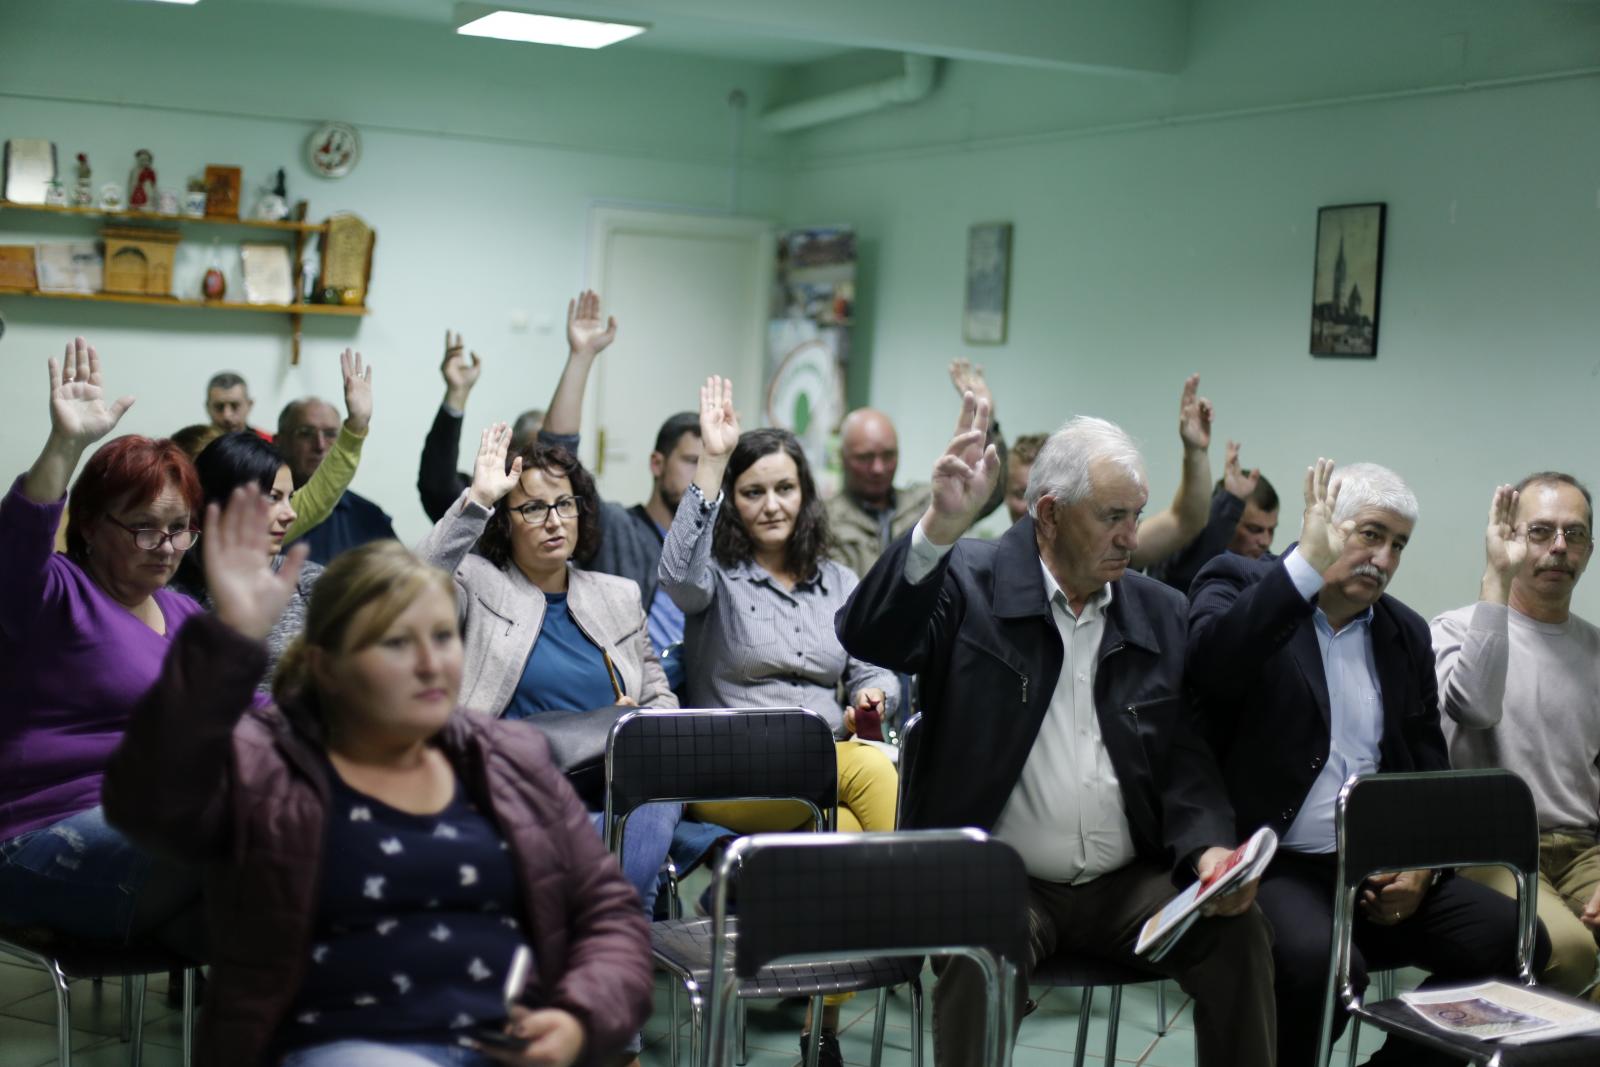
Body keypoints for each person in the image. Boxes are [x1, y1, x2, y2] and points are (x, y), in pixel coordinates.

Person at [103, 497, 652, 1066]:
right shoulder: (268, 758)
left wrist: (577, 1016)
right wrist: (227, 647)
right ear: (327, 666)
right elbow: (147, 801)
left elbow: (606, 916)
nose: (430, 663)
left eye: (442, 636)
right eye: (396, 643)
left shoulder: (505, 758)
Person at [837, 401, 1275, 1067]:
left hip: (1128, 884)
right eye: (1112, 516)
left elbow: (1185, 757)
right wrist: (938, 528)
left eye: (1136, 515)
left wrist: (1210, 851)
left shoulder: (1159, 611)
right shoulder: (971, 581)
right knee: (978, 943)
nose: (1132, 537)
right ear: (1049, 514)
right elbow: (870, 635)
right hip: (999, 879)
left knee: (1238, 932)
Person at [1188, 458, 1542, 1067]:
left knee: (1517, 939)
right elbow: (1212, 668)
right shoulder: (1237, 582)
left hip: (1375, 870)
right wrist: (1303, 571)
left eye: (1398, 544)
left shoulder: (1402, 631)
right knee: (1324, 965)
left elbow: (1428, 768)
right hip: (1273, 863)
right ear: (1325, 526)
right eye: (1371, 535)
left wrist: (1423, 869)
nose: (1383, 558)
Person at [659, 376, 901, 1066]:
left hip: (822, 777)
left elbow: (874, 668)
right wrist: (712, 460)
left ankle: (819, 1028)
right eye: (753, 491)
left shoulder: (839, 581)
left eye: (785, 488)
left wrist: (873, 699)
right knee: (869, 769)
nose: (771, 504)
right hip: (733, 771)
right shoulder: (715, 578)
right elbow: (675, 576)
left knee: (846, 833)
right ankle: (917, 921)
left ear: (806, 494)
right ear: (733, 503)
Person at [414, 425, 679, 923]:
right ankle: (608, 925)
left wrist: (638, 720)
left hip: (609, 783)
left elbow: (661, 698)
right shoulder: (476, 582)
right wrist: (478, 500)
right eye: (534, 508)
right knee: (622, 879)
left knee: (658, 792)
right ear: (505, 521)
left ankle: (595, 918)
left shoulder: (617, 595)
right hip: (512, 782)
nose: (554, 521)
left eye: (565, 504)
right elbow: (407, 586)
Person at [0, 336, 202, 953]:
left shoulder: (186, 615)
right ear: (89, 524)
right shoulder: (51, 591)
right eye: (144, 528)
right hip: (40, 834)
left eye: (180, 529)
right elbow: (16, 544)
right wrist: (64, 445)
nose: (166, 547)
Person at [1434, 474, 1600, 998]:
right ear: (1510, 539)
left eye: (1574, 534)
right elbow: (1476, 707)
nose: (1559, 547)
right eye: (1541, 531)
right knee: (1571, 953)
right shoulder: (1454, 629)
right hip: (1491, 849)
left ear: (1590, 549)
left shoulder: (1595, 649)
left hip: (1583, 849)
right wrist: (1496, 579)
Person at [531, 291, 704, 689]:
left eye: (710, 465)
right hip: (631, 690)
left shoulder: (717, 543)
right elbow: (558, 458)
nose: (701, 476)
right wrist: (581, 357)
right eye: (691, 461)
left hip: (699, 694)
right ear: (657, 464)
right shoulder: (618, 528)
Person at [1004, 374, 1221, 572]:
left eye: (1042, 493)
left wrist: (1196, 452)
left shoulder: (1107, 546)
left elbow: (1185, 521)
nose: (1031, 506)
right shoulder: (995, 564)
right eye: (1020, 493)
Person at [827, 358, 1008, 578]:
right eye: (865, 458)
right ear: (843, 457)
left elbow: (988, 494)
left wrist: (987, 425)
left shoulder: (927, 502)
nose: (878, 468)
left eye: (888, 455)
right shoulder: (824, 518)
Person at [172, 431, 324, 688]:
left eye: (290, 498)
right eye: (274, 497)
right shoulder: (173, 594)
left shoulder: (309, 582)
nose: (290, 514)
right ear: (226, 501)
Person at [417, 330, 545, 523]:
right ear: (510, 453)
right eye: (536, 456)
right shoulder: (487, 505)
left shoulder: (572, 501)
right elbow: (438, 487)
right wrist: (457, 393)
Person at [279, 349, 393, 564]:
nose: (320, 445)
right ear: (279, 441)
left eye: (331, 434)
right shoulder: (263, 512)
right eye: (306, 433)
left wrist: (358, 423)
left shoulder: (369, 517)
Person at [1146, 440, 1279, 594]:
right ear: (1232, 519)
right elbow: (1193, 565)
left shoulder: (1271, 572)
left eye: (1271, 530)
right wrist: (1231, 501)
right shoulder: (1175, 556)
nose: (1265, 541)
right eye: (1254, 529)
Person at [205, 370, 272, 440]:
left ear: (249, 405)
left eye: (235, 406)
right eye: (219, 407)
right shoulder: (197, 445)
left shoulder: (268, 443)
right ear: (207, 407)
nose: (227, 416)